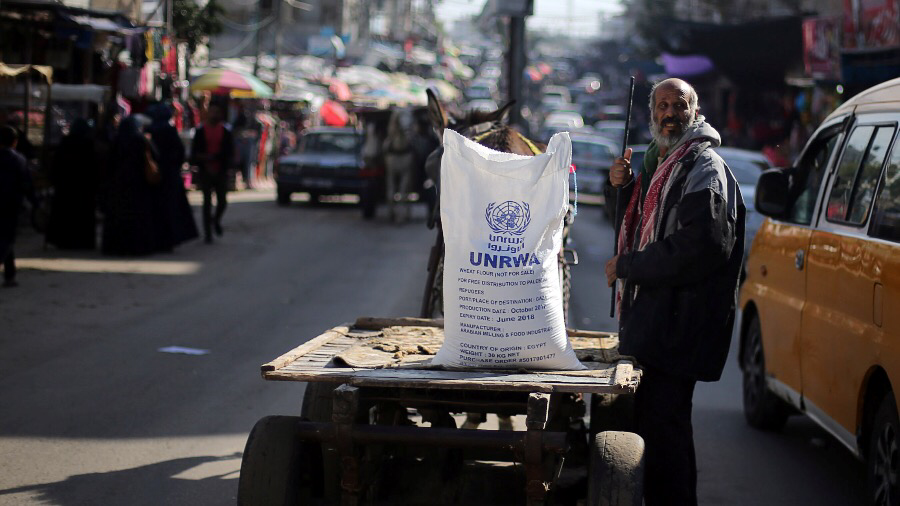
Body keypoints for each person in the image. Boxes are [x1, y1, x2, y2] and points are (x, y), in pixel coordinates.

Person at [603, 78, 745, 506]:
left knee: (665, 441)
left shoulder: (704, 167)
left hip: (678, 330)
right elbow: (641, 226)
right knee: (661, 435)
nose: (670, 114)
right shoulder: (660, 164)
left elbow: (699, 247)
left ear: (694, 111)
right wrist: (624, 188)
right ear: (651, 113)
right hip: (656, 326)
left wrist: (628, 266)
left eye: (678, 105)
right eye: (662, 106)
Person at [101, 116, 159, 255]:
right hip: (139, 186)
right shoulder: (141, 140)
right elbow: (156, 157)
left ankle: (116, 247)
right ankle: (138, 247)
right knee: (138, 218)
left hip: (118, 187)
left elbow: (108, 163)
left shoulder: (117, 140)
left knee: (119, 217)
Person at [146, 104, 199, 251]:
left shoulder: (149, 130)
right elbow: (179, 152)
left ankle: (157, 241)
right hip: (170, 176)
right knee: (170, 210)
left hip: (154, 176)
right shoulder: (169, 130)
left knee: (156, 210)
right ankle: (169, 241)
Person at [46, 119, 99, 250]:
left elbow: (56, 165)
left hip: (65, 187)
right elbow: (93, 167)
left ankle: (63, 241)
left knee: (65, 215)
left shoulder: (65, 143)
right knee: (82, 216)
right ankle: (82, 242)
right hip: (84, 189)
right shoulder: (88, 143)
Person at [190, 103, 234, 243]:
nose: (214, 115)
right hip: (205, 171)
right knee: (207, 202)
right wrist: (203, 161)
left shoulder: (226, 131)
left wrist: (218, 159)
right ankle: (208, 234)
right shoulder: (200, 130)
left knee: (222, 202)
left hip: (220, 170)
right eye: (212, 112)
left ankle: (215, 221)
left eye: (217, 112)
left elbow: (229, 152)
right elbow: (194, 152)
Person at [0, 126, 35, 287]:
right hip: (11, 205)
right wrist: (35, 202)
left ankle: (10, 274)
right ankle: (9, 274)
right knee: (7, 239)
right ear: (15, 142)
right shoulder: (19, 159)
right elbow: (27, 184)